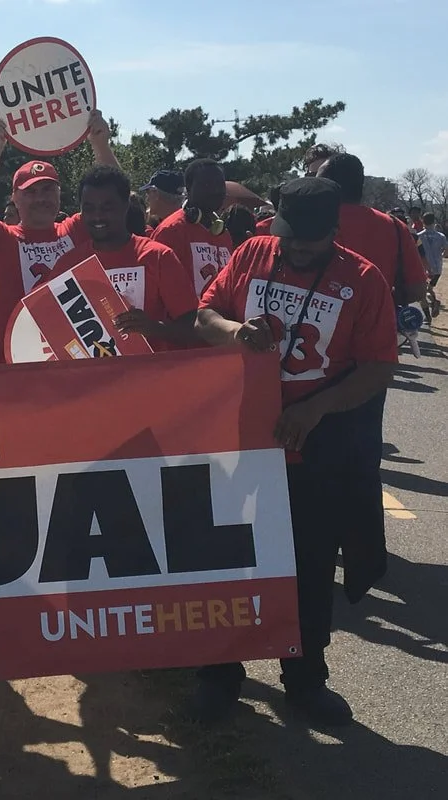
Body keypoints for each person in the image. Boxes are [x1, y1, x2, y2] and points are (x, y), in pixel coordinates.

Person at [194, 177, 398, 728]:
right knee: (229, 562)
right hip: (239, 439)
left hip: (313, 447)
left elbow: (379, 366)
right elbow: (204, 316)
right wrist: (236, 332)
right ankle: (220, 671)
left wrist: (317, 409)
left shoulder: (363, 279)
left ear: (334, 231)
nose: (297, 250)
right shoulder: (254, 251)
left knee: (307, 570)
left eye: (309, 242)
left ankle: (306, 680)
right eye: (290, 238)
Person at [0, 109, 119, 363]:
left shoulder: (75, 230)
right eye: (31, 191)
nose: (41, 198)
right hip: (15, 363)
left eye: (48, 189)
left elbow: (114, 196)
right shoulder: (4, 237)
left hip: (75, 360)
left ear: (59, 194)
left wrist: (100, 144)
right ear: (14, 198)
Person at [46, 166, 199, 349]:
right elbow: (48, 326)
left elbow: (195, 328)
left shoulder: (157, 257)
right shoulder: (67, 265)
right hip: (90, 377)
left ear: (125, 206)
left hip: (149, 375)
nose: (97, 216)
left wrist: (154, 328)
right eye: (89, 208)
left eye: (107, 207)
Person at [316, 154, 428, 306]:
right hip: (374, 324)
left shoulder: (304, 222)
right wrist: (377, 302)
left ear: (323, 186)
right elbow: (418, 289)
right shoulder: (395, 227)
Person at [152, 159, 233, 297]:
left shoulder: (223, 234)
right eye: (207, 184)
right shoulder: (171, 231)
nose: (215, 190)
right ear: (189, 187)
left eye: (220, 185)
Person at [418, 211, 446, 313]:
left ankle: (434, 302)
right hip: (437, 268)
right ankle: (435, 303)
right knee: (429, 288)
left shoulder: (419, 236)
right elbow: (446, 249)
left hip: (424, 268)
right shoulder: (441, 236)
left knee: (425, 290)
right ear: (434, 221)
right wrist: (441, 256)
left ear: (422, 221)